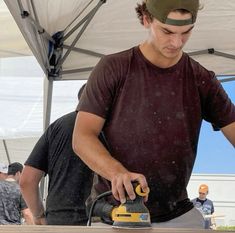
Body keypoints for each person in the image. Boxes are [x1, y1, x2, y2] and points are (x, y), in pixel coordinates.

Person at [72, 0, 235, 229]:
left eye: (185, 32)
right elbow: (82, 137)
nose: (176, 42)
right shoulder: (113, 68)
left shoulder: (202, 79)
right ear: (147, 19)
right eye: (167, 31)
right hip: (117, 214)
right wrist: (117, 172)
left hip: (177, 214)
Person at [20, 84, 94, 225]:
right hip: (103, 220)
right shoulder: (114, 127)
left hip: (59, 220)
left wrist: (39, 215)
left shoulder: (58, 126)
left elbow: (27, 180)